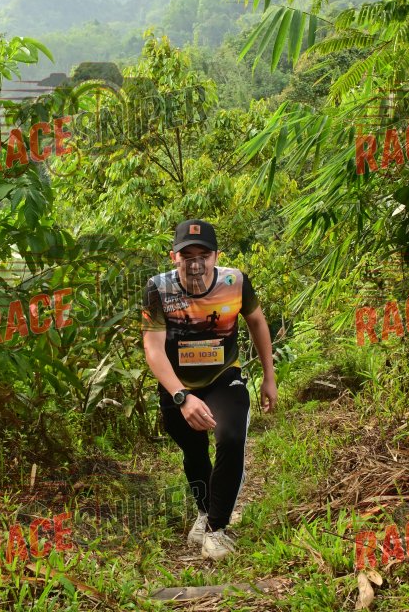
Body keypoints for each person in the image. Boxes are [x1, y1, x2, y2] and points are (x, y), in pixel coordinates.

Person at [142, 219, 277, 561]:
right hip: (177, 384)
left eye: (203, 255)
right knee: (194, 452)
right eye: (187, 255)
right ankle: (204, 512)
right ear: (174, 257)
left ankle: (216, 529)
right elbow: (153, 349)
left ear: (216, 256)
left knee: (230, 438)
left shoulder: (236, 282)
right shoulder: (158, 289)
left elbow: (257, 321)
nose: (195, 263)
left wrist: (269, 376)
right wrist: (181, 397)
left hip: (223, 377)